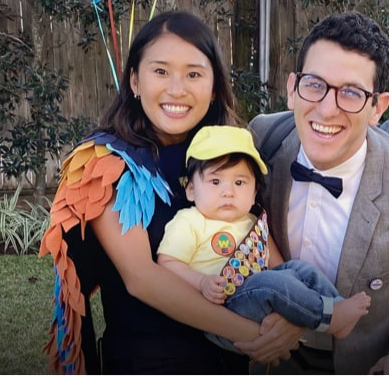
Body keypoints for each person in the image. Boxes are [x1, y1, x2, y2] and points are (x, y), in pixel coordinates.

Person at [38, 11, 299, 375]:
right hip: (149, 361)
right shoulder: (108, 164)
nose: (177, 89)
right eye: (160, 71)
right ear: (134, 80)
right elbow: (143, 278)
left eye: (194, 74)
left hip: (229, 363)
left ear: (213, 87)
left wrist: (292, 313)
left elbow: (257, 235)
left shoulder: (229, 154)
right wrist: (254, 336)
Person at [245, 11, 389, 374]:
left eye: (350, 92)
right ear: (291, 89)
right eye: (314, 84)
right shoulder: (259, 146)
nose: (327, 108)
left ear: (377, 108)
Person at [157, 125, 371, 354]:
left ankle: (336, 305)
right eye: (215, 182)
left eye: (239, 183)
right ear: (190, 189)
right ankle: (327, 316)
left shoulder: (253, 221)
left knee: (298, 269)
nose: (228, 192)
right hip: (224, 310)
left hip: (262, 297)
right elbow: (167, 263)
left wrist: (288, 286)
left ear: (254, 192)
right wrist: (201, 282)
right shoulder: (189, 222)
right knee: (270, 282)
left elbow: (278, 266)